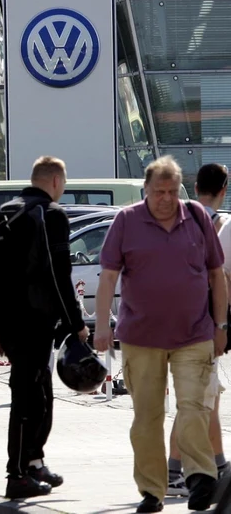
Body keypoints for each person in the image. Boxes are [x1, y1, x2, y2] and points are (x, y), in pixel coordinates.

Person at [95, 156, 227, 513]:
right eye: (158, 192)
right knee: (148, 417)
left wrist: (221, 327)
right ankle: (152, 491)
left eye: (171, 191)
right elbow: (107, 277)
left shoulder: (197, 218)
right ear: (146, 190)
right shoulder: (126, 220)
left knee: (195, 407)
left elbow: (217, 274)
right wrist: (102, 327)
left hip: (194, 333)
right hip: (141, 337)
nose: (166, 198)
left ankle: (200, 476)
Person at [0, 156, 88, 500]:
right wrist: (76, 323)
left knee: (39, 393)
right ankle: (16, 475)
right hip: (34, 320)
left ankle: (33, 461)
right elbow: (60, 275)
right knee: (28, 397)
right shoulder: (51, 215)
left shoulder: (4, 212)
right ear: (56, 181)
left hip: (8, 319)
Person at [168, 163, 230, 497]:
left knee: (208, 398)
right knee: (195, 400)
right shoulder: (218, 224)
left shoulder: (177, 220)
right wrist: (222, 323)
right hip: (203, 325)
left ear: (194, 186)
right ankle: (173, 472)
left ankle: (220, 465)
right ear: (225, 188)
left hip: (174, 321)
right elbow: (221, 278)